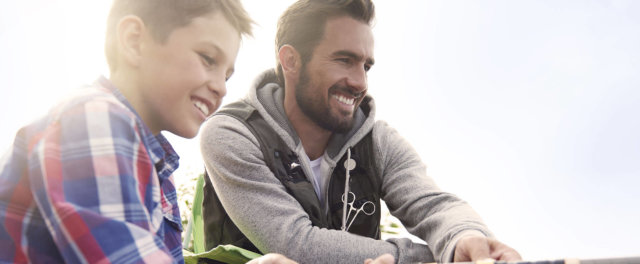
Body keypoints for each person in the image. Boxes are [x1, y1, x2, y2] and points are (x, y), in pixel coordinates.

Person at [200, 0, 523, 263]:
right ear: (291, 61)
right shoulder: (231, 134)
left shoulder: (379, 142)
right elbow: (296, 245)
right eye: (344, 60)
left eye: (365, 66)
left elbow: (434, 205)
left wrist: (464, 238)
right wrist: (431, 258)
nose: (360, 83)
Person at [0, 0, 294, 263]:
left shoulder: (153, 163)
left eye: (227, 75)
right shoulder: (95, 118)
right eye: (207, 59)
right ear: (133, 40)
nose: (221, 87)